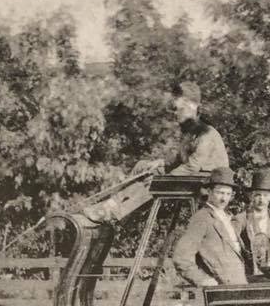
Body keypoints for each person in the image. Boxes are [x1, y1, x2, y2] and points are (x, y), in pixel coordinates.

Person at [85, 81, 230, 224]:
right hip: (193, 177)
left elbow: (192, 166)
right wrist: (160, 163)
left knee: (155, 183)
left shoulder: (206, 133)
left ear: (190, 107)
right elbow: (180, 159)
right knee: (143, 166)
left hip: (209, 182)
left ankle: (115, 214)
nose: (174, 114)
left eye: (178, 109)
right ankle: (111, 203)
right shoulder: (189, 131)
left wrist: (164, 177)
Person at [172, 167, 247, 286]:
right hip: (220, 289)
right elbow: (181, 257)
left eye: (228, 194)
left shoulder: (228, 218)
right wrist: (202, 280)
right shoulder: (202, 218)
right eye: (220, 193)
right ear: (209, 192)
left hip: (238, 286)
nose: (224, 198)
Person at [233, 168, 270, 281]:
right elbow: (232, 244)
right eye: (258, 195)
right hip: (249, 276)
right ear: (251, 196)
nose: (261, 199)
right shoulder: (241, 219)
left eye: (265, 195)